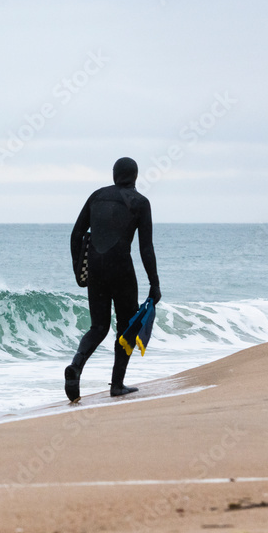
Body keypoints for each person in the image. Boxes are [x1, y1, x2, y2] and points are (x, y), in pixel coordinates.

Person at [65, 157, 161, 401]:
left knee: (98, 327)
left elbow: (76, 234)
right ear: (135, 177)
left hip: (96, 269)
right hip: (122, 271)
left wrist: (80, 267)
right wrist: (154, 283)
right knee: (126, 328)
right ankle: (117, 385)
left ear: (114, 175)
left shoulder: (97, 196)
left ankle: (76, 366)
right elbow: (146, 248)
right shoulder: (140, 202)